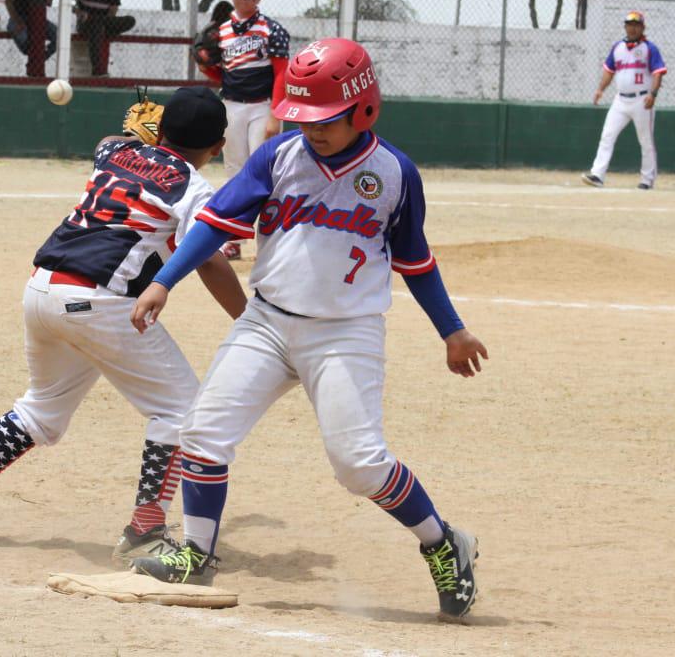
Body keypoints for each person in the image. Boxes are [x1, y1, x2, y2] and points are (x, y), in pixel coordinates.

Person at [129, 39, 489, 623]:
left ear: (363, 108)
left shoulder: (394, 173)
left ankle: (443, 541)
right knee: (203, 432)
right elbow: (213, 224)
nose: (311, 130)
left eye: (324, 119)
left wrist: (453, 330)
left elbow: (416, 261)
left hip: (345, 333)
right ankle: (197, 553)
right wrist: (164, 280)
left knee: (358, 464)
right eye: (302, 117)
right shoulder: (277, 157)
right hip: (267, 322)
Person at [0, 87, 248, 569]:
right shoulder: (194, 187)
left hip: (42, 291)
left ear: (160, 128)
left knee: (41, 409)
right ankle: (146, 529)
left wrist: (142, 138)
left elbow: (109, 139)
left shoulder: (117, 150)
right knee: (181, 410)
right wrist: (248, 320)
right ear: (217, 148)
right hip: (100, 302)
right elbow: (211, 261)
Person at [201, 0, 290, 261]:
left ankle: (273, 234)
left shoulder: (271, 30)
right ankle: (235, 238)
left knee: (265, 168)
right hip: (232, 105)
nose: (242, 0)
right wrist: (205, 67)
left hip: (262, 105)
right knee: (235, 170)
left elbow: (281, 73)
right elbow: (221, 73)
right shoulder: (222, 31)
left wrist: (276, 114)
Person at [582, 11, 667, 190]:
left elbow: (658, 73)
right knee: (607, 135)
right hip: (620, 100)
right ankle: (597, 174)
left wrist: (653, 94)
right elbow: (609, 71)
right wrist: (600, 89)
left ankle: (647, 180)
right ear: (625, 27)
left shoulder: (649, 48)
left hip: (642, 99)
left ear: (642, 28)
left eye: (636, 25)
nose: (632, 28)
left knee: (645, 140)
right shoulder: (617, 47)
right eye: (629, 24)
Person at [73, 0, 135, 76]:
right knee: (97, 27)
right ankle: (98, 71)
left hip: (105, 22)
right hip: (85, 24)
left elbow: (113, 10)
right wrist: (79, 13)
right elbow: (69, 5)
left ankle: (99, 23)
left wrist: (104, 19)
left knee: (130, 20)